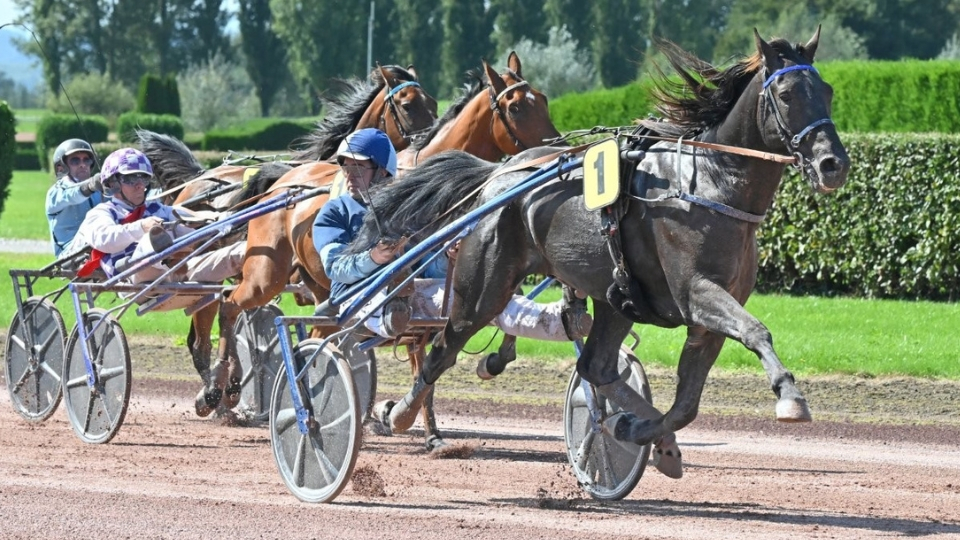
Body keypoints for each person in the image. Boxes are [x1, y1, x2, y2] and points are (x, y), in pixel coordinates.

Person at [312, 128, 586, 342]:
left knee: (485, 299)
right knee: (386, 297)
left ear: (383, 170)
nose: (349, 174)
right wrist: (374, 257)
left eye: (358, 167)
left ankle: (556, 321)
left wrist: (450, 258)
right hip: (356, 296)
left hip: (413, 292)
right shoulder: (333, 213)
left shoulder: (405, 211)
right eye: (346, 166)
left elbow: (430, 266)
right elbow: (335, 268)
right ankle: (390, 312)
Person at [74, 147, 246, 286]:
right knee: (156, 234)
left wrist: (229, 218)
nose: (140, 185)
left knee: (242, 250)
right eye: (131, 179)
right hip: (134, 277)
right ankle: (165, 248)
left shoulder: (157, 209)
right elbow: (105, 240)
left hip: (180, 271)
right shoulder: (101, 213)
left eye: (144, 179)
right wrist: (142, 227)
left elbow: (192, 216)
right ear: (113, 183)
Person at [46, 139, 103, 256]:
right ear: (61, 167)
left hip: (96, 245)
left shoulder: (98, 190)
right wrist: (91, 186)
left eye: (86, 160)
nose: (82, 164)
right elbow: (72, 195)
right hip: (69, 254)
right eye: (75, 161)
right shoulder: (56, 192)